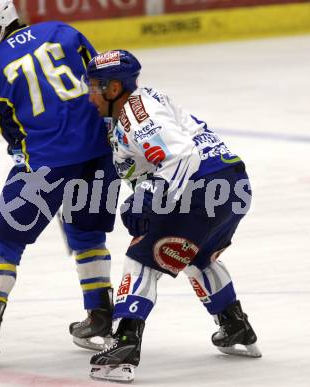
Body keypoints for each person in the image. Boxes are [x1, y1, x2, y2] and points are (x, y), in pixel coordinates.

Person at [0, 0, 119, 367]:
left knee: (4, 240)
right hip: (99, 155)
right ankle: (101, 318)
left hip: (45, 165)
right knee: (88, 237)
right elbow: (106, 85)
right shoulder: (64, 32)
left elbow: (11, 134)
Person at [85, 50, 261, 382]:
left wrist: (147, 199)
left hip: (203, 186)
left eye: (95, 86)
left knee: (142, 260)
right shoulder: (140, 103)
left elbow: (181, 156)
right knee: (198, 257)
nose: (90, 94)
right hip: (234, 184)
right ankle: (235, 326)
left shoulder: (135, 115)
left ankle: (125, 343)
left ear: (113, 89)